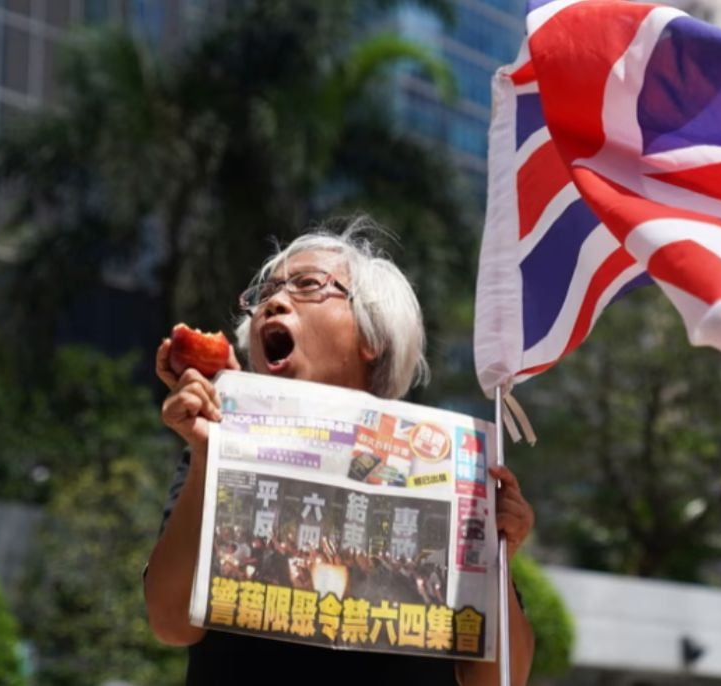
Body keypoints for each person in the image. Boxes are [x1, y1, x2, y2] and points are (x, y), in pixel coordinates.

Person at [144, 217, 536, 685]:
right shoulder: (214, 447)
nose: (273, 303)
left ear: (372, 337)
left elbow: (498, 680)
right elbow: (170, 623)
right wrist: (210, 458)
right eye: (265, 294)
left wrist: (498, 554)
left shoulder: (447, 469)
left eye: (308, 285)